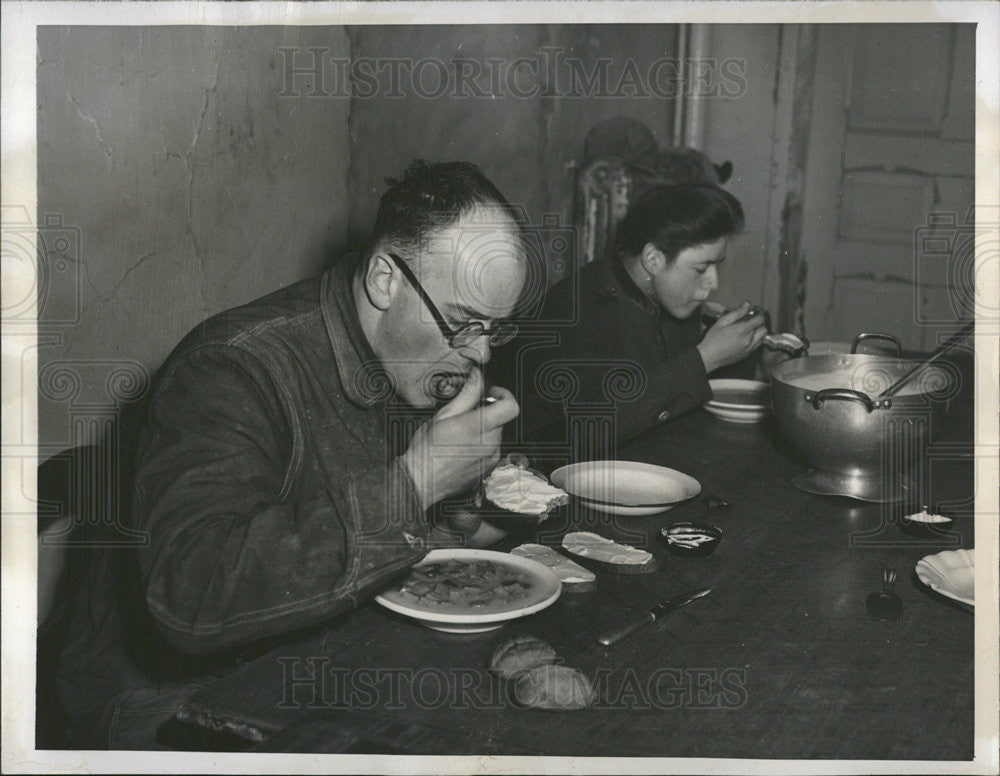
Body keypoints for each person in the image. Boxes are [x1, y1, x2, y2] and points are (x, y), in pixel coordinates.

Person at [53, 160, 528, 749]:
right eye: (463, 324)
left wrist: (457, 500)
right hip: (171, 700)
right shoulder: (231, 367)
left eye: (494, 328)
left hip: (316, 654)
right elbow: (189, 599)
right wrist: (419, 480)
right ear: (385, 279)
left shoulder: (408, 355)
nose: (479, 354)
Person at [494, 183, 767, 453]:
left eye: (716, 266)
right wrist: (705, 358)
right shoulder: (573, 310)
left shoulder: (667, 298)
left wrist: (750, 351)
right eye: (701, 268)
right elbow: (579, 434)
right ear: (653, 258)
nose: (713, 283)